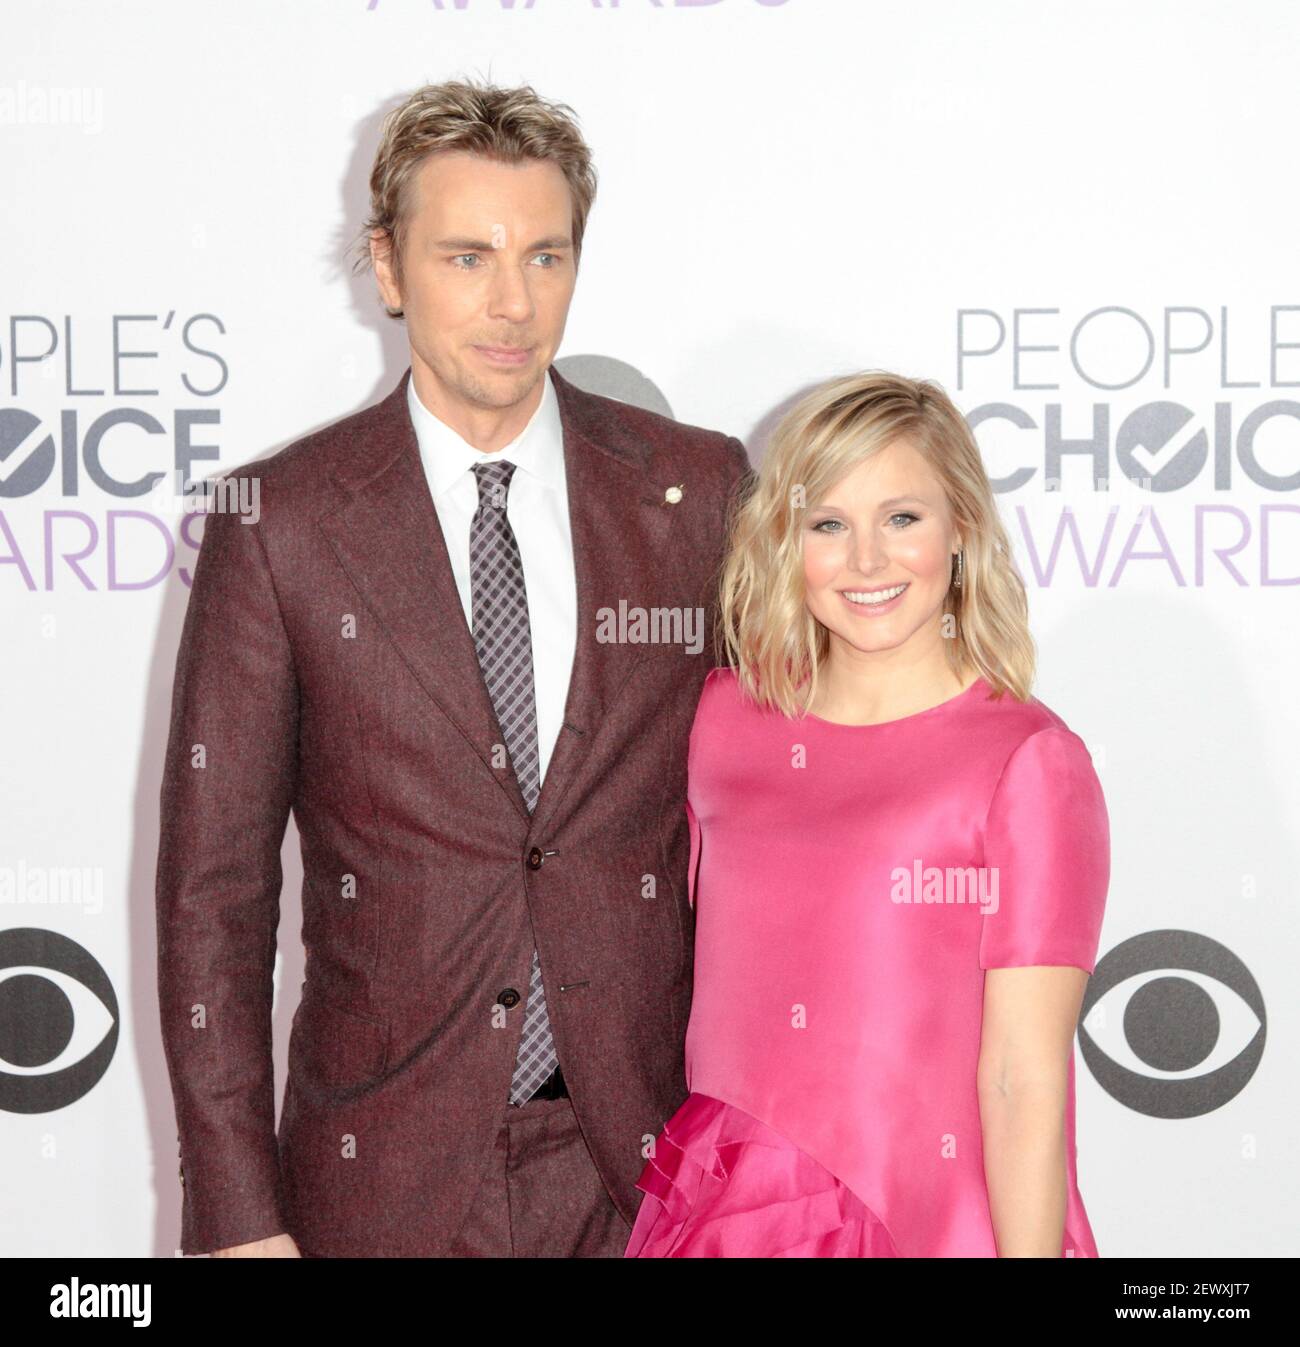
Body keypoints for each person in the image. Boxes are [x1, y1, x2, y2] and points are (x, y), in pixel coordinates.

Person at [155, 78, 751, 1258]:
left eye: (544, 255)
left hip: (650, 1169)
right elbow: (210, 897)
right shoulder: (282, 519)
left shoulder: (695, 494)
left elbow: (787, 802)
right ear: (387, 268)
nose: (512, 302)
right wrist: (235, 1218)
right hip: (384, 1178)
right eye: (466, 256)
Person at [625, 371, 1110, 1257]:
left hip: (932, 1224)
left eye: (901, 518)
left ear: (961, 525)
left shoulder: (1028, 762)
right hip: (731, 1219)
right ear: (787, 541)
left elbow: (1023, 1078)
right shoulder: (721, 722)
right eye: (828, 525)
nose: (868, 562)